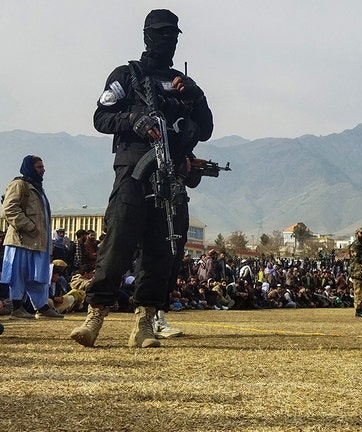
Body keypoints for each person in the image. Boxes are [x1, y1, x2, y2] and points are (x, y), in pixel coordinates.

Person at [71, 9, 213, 348]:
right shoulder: (126, 75)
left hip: (172, 176)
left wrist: (195, 96)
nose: (169, 40)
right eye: (162, 34)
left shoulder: (183, 84)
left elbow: (205, 129)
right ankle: (95, 316)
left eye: (174, 35)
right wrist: (133, 119)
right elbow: (101, 115)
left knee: (164, 250)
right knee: (118, 241)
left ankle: (146, 321)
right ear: (147, 35)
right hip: (133, 171)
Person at [1, 155, 64, 319]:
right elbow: (9, 209)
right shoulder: (19, 185)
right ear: (29, 168)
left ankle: (42, 308)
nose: (43, 170)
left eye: (43, 167)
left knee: (38, 276)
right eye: (39, 167)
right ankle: (17, 308)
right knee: (18, 275)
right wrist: (29, 226)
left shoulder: (37, 189)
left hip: (37, 242)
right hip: (20, 241)